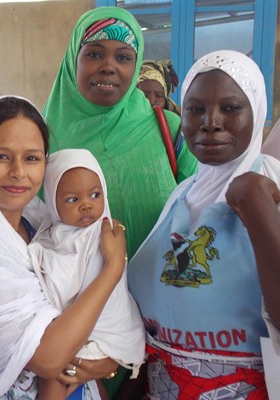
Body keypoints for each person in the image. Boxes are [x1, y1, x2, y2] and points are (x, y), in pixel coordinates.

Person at [41, 7, 198, 396]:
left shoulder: (171, 130)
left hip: (170, 325)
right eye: (94, 53)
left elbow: (204, 210)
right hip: (81, 334)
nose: (108, 67)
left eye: (123, 57)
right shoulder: (43, 144)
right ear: (73, 60)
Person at [0, 96, 127, 399]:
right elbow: (48, 358)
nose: (18, 172)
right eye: (1, 157)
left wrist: (107, 359)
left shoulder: (36, 220)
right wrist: (112, 270)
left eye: (32, 158)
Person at [127, 49, 280, 398]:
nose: (210, 121)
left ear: (256, 110)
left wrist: (258, 210)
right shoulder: (183, 194)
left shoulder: (270, 188)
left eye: (230, 108)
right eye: (195, 109)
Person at [29, 148, 145, 400]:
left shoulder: (104, 235)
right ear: (52, 201)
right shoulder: (49, 237)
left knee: (54, 376)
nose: (87, 205)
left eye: (95, 194)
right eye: (73, 199)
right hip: (71, 333)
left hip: (103, 332)